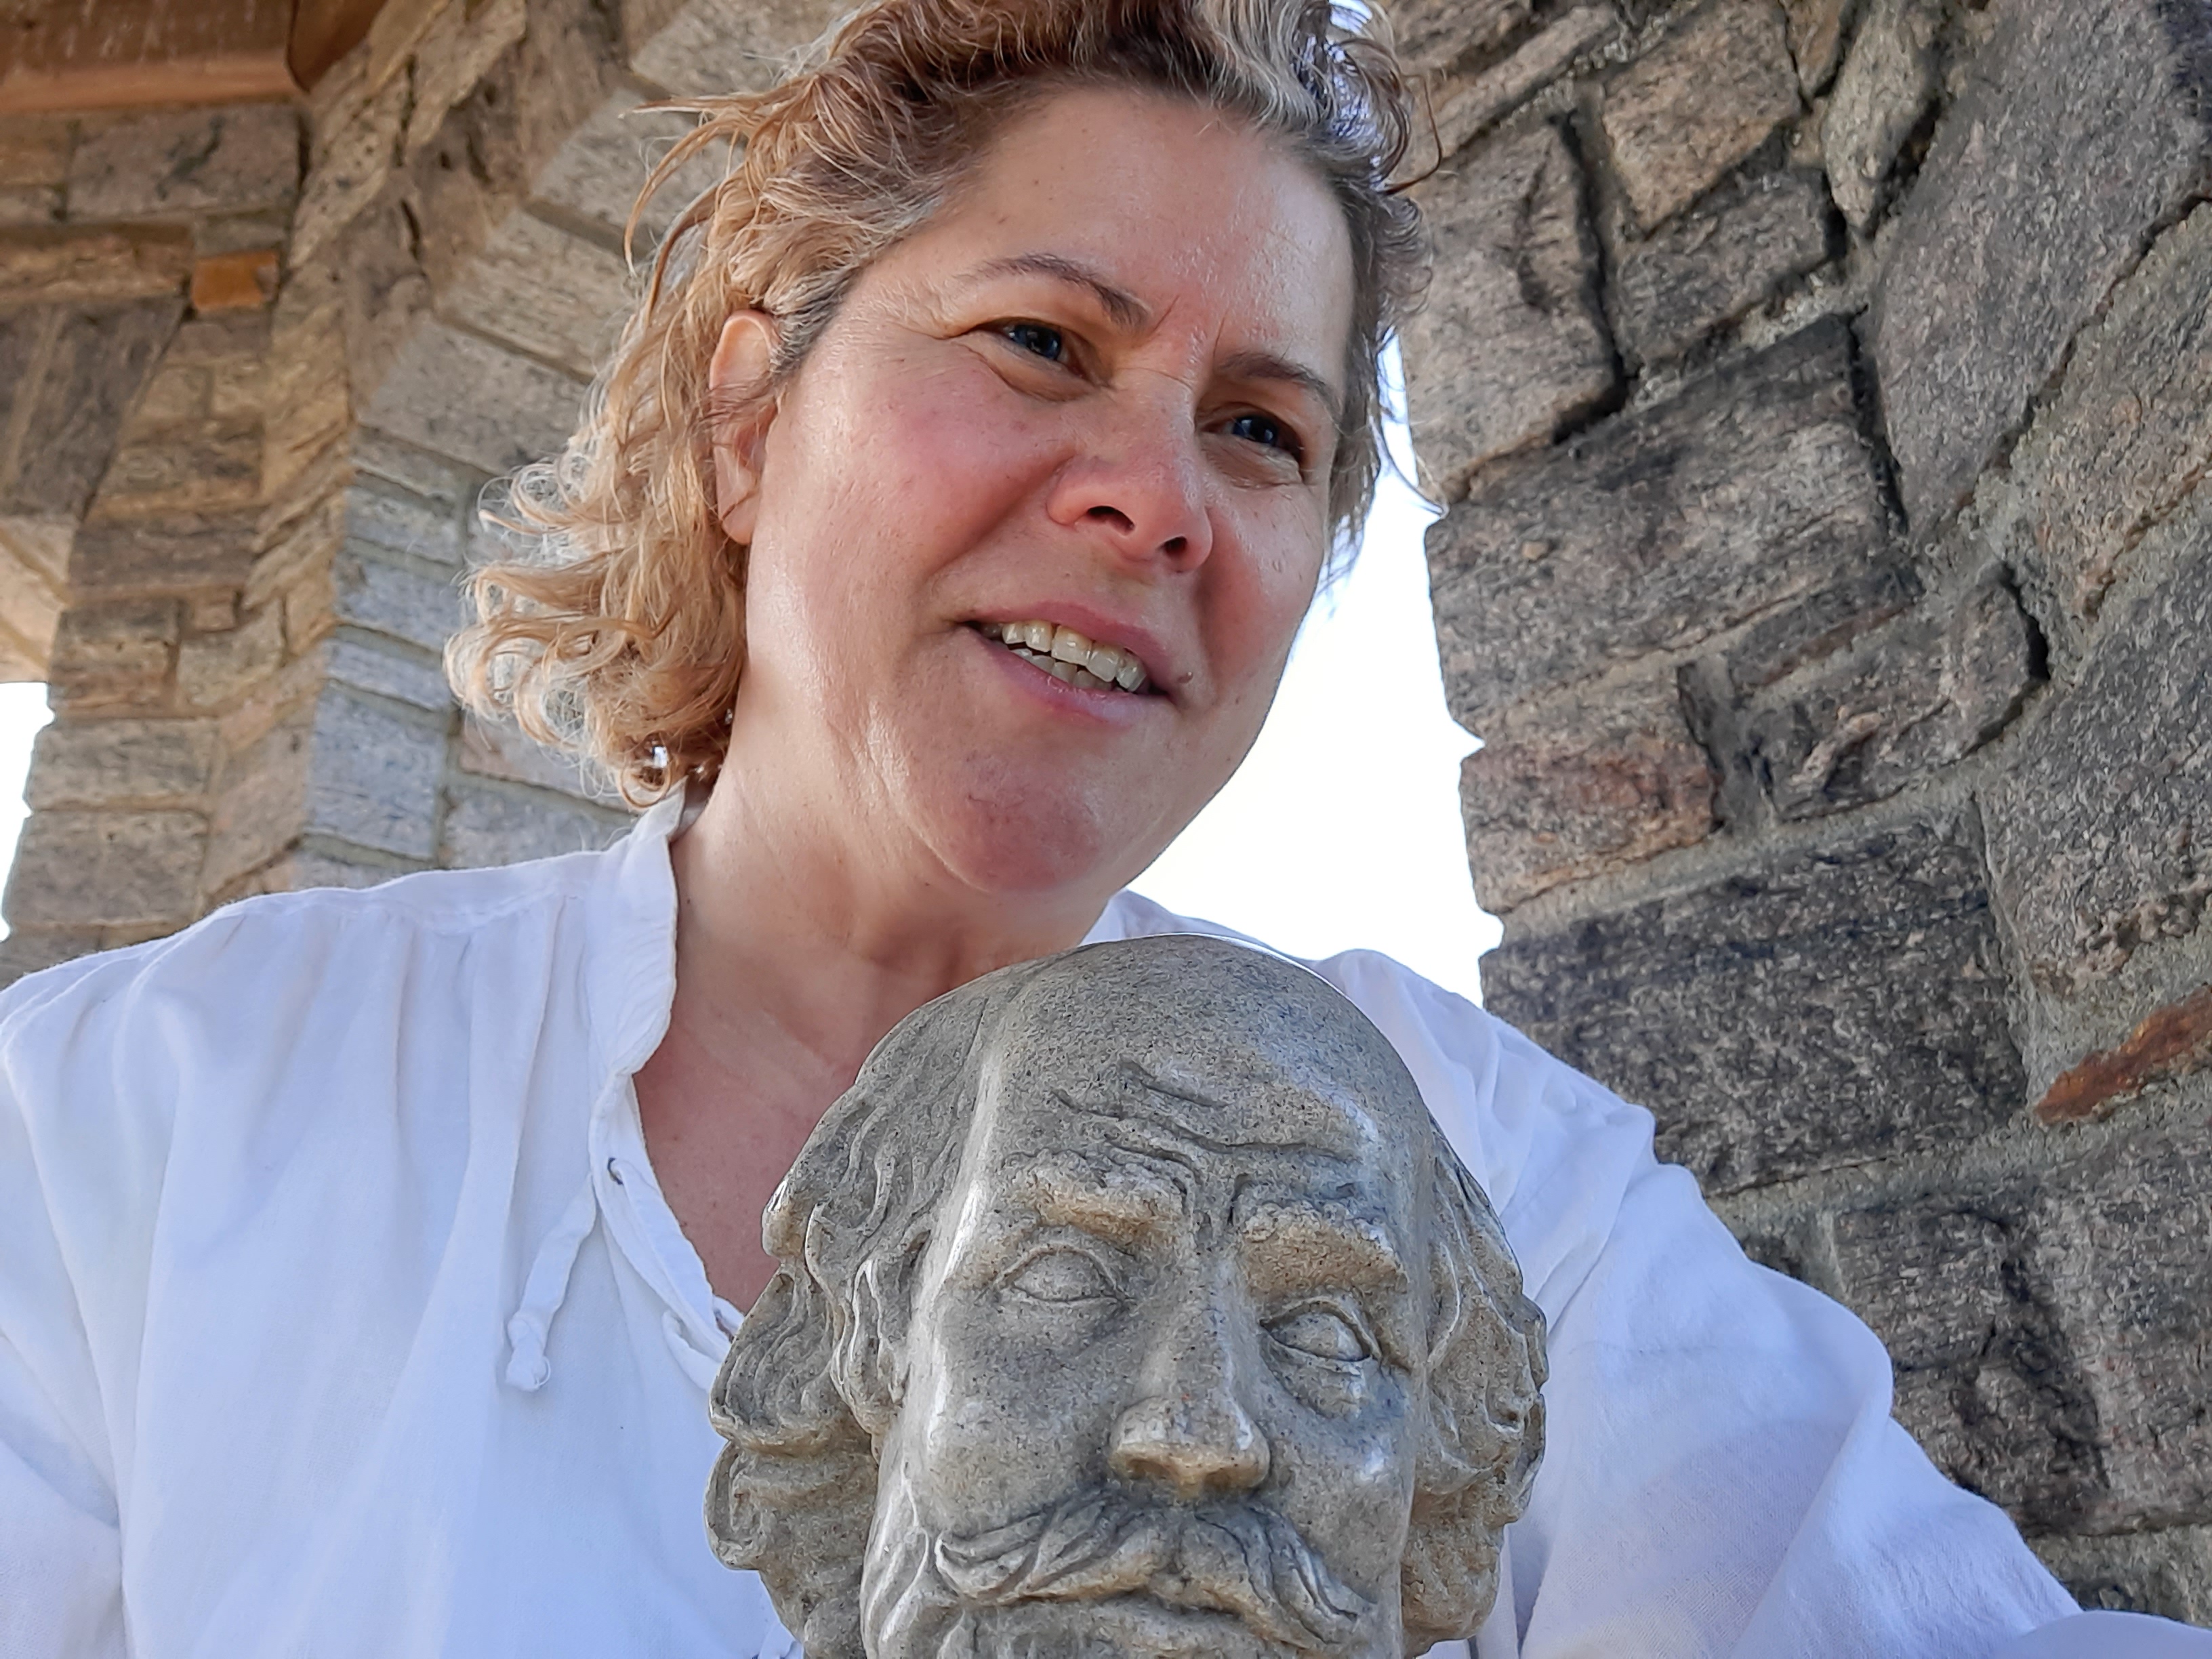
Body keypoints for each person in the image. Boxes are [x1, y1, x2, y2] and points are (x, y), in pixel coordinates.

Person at [0, 1, 2200, 1654]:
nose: (1156, 494)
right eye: (1043, 340)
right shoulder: (147, 1126)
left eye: (1261, 427)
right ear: (752, 414)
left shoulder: (1474, 1164)